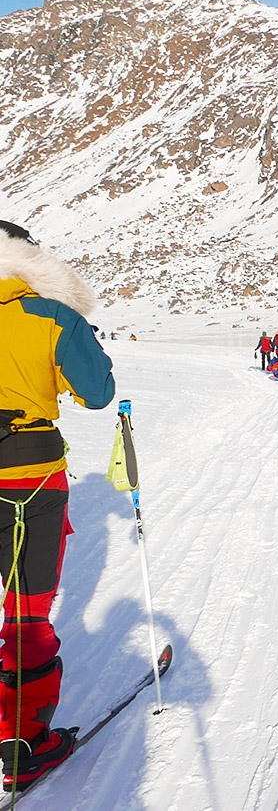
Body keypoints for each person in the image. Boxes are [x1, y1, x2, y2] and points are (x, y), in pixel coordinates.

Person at [0, 220, 115, 789]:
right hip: (29, 483)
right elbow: (97, 393)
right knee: (25, 618)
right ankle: (26, 742)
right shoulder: (50, 317)